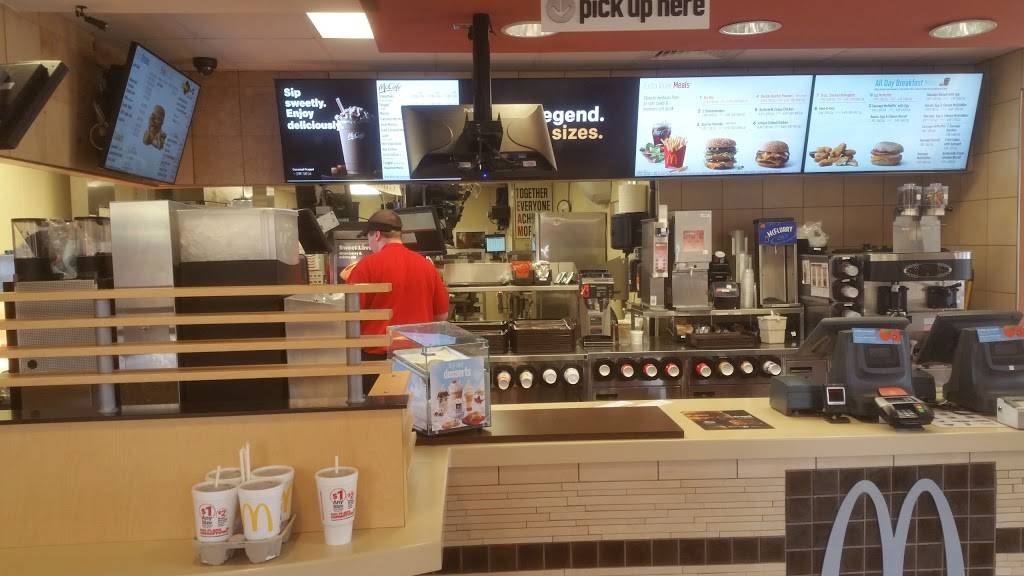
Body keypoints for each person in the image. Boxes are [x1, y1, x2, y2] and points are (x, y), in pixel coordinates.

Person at [341, 209, 449, 392]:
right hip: (418, 359)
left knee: (380, 409)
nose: (369, 243)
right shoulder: (426, 266)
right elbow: (442, 315)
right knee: (415, 408)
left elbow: (351, 318)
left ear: (376, 235)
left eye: (368, 237)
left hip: (377, 362)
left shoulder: (365, 266)